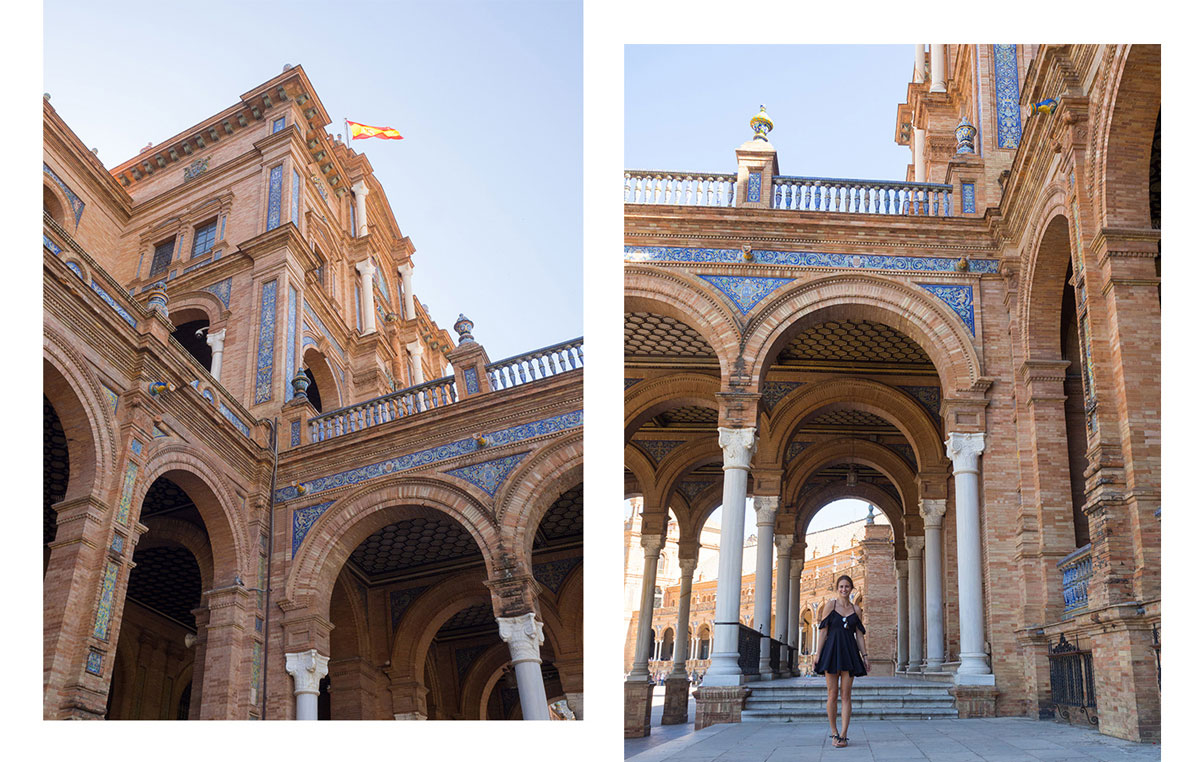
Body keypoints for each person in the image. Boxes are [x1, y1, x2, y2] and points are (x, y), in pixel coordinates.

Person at [813, 575, 869, 748]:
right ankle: (834, 732)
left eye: (847, 587)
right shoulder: (830, 605)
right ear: (837, 588)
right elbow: (823, 632)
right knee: (832, 694)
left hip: (849, 652)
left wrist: (865, 656)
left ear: (851, 589)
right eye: (841, 586)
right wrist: (817, 654)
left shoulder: (856, 610)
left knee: (846, 695)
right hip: (831, 651)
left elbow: (859, 635)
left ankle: (844, 734)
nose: (844, 589)